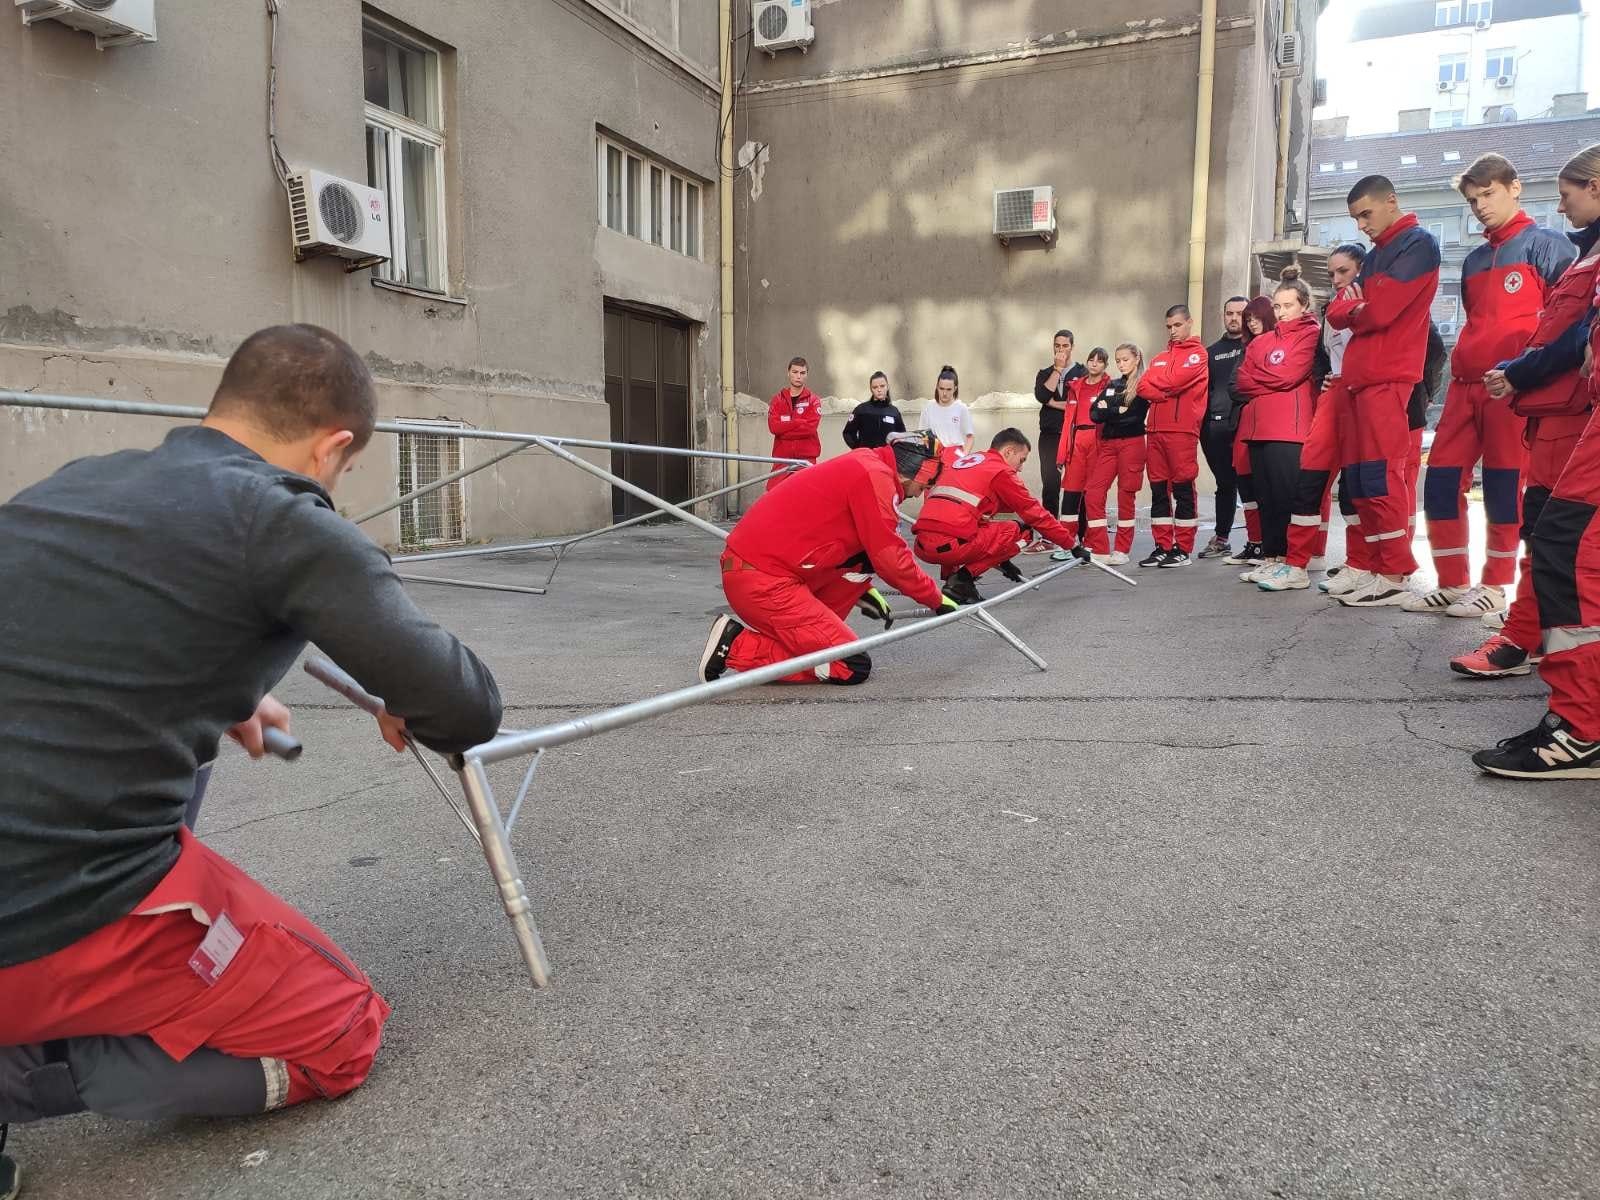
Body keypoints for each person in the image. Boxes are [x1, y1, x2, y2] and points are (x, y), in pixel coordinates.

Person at [0, 326, 503, 1178]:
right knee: (341, 1033)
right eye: (344, 469)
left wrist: (220, 689)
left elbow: (63, 645)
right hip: (50, 909)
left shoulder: (78, 484)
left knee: (191, 755)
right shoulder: (278, 518)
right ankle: (29, 1063)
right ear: (333, 446)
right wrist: (405, 691)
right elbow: (464, 706)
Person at [1472, 149, 1600, 776]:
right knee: (1554, 541)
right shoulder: (1585, 255)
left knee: (1568, 551)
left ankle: (1582, 728)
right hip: (1564, 410)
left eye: (1567, 192)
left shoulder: (1558, 252)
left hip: (1576, 413)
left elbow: (1573, 338)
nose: (1561, 204)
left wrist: (1520, 371)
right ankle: (1575, 717)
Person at [1406, 155, 1577, 617]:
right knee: (1440, 482)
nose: (1480, 205)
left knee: (1503, 486)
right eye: (1472, 199)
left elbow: (1568, 318)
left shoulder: (1547, 244)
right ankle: (1452, 581)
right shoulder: (1475, 258)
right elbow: (1477, 320)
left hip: (1511, 387)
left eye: (1488, 193)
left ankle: (1496, 585)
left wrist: (1529, 374)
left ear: (1514, 188)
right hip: (1465, 385)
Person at [698, 432, 956, 688]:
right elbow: (891, 558)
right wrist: (935, 598)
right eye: (925, 485)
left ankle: (763, 644)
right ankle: (736, 646)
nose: (921, 493)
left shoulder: (867, 463)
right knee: (850, 665)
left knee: (862, 565)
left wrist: (861, 588)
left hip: (761, 572)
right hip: (765, 582)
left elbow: (857, 546)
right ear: (916, 472)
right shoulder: (876, 477)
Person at [1324, 174, 1442, 608]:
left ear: (1391, 201)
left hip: (1388, 378)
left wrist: (1354, 308)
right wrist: (1355, 308)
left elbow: (1382, 312)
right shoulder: (1375, 256)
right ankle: (1374, 566)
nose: (1361, 225)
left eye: (1365, 214)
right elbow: (1337, 312)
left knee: (1381, 476)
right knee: (1360, 480)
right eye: (1355, 218)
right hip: (1362, 379)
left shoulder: (1418, 244)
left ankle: (1394, 572)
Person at [914, 428, 1083, 602]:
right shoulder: (1000, 471)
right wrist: (1072, 545)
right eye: (1021, 460)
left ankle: (953, 581)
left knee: (964, 523)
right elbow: (1035, 514)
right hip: (952, 547)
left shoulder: (965, 462)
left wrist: (1002, 560)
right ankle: (962, 580)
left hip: (921, 545)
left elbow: (948, 518)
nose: (1021, 468)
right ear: (1008, 451)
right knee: (1022, 531)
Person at [1238, 276, 1322, 591]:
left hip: (1290, 429)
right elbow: (1241, 380)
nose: (1282, 312)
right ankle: (1272, 557)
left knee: (1288, 498)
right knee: (1267, 499)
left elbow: (1289, 375)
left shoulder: (1311, 334)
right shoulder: (1261, 341)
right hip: (1259, 428)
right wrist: (1268, 378)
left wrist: (1261, 377)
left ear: (1304, 305)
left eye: (1288, 305)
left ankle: (1292, 562)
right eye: (1277, 306)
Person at [1137, 304, 1209, 567]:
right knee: (1158, 490)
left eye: (1177, 325)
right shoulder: (1159, 357)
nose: (1173, 330)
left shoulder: (1198, 354)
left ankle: (1183, 548)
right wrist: (1164, 390)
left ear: (1189, 322)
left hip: (1182, 431)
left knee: (1183, 488)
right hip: (1155, 430)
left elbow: (1175, 382)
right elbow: (1142, 386)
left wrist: (1160, 386)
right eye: (1169, 326)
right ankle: (1162, 545)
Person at [1082, 343, 1149, 566]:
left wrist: (1108, 409)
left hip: (1132, 444)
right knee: (1093, 492)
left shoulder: (1144, 385)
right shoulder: (1113, 384)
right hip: (1108, 445)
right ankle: (1099, 548)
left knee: (1125, 496)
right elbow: (1094, 413)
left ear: (1136, 359)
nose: (1121, 364)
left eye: (1125, 359)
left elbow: (1133, 417)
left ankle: (1122, 549)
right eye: (1118, 360)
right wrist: (1116, 410)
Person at [1228, 296, 1277, 577]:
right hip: (1244, 424)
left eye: (1256, 317)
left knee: (1267, 490)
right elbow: (1234, 387)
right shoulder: (1246, 349)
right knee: (1246, 487)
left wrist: (1256, 387)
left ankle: (1272, 549)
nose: (1252, 323)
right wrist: (1262, 387)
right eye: (1249, 319)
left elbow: (1281, 380)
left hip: (1269, 424)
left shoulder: (1278, 345)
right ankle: (1256, 543)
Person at [1050, 348, 1112, 561]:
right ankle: (1066, 543)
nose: (1094, 363)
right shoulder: (1076, 387)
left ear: (1105, 365)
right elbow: (1068, 422)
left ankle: (1092, 543)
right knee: (1071, 494)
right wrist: (1061, 454)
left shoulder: (1110, 386)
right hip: (1077, 442)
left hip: (1098, 443)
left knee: (1093, 496)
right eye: (1091, 359)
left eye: (1099, 361)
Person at [1199, 297, 1249, 560]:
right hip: (1214, 429)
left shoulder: (1254, 346)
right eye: (1229, 313)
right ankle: (1221, 539)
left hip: (1245, 425)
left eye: (1240, 313)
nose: (1234, 318)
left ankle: (1259, 542)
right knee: (1225, 484)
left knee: (1252, 485)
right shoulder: (1211, 352)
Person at [1033, 329, 1087, 525]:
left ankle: (1079, 530)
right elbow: (1042, 396)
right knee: (1050, 485)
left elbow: (1082, 403)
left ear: (1072, 347)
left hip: (1075, 434)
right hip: (1050, 435)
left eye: (1065, 346)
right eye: (1057, 346)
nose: (1061, 350)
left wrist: (1054, 403)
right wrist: (1057, 369)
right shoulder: (1045, 373)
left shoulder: (1082, 373)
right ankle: (1050, 530)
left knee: (1077, 485)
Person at [766, 356, 822, 491]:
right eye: (795, 372)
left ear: (807, 375)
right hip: (782, 459)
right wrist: (797, 422)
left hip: (806, 460)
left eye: (802, 373)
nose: (798, 376)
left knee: (806, 496)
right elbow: (774, 427)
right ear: (788, 373)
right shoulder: (777, 400)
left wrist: (784, 431)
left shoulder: (813, 400)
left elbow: (809, 429)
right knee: (774, 493)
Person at [919, 365, 975, 457]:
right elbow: (922, 435)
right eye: (941, 389)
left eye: (949, 389)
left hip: (955, 454)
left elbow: (970, 437)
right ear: (937, 387)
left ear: (955, 389)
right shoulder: (928, 407)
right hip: (934, 454)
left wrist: (963, 456)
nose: (944, 393)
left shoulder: (961, 408)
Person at [841, 371, 906, 449]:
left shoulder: (894, 412)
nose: (879, 390)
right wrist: (858, 449)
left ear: (887, 387)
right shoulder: (861, 410)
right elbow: (848, 433)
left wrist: (895, 451)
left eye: (882, 386)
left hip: (887, 455)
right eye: (875, 387)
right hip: (867, 455)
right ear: (871, 389)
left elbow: (902, 436)